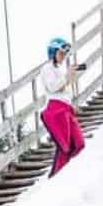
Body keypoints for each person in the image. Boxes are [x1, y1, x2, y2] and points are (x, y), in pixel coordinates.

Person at [40, 38, 86, 178]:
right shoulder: (47, 68)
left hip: (66, 108)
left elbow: (65, 87)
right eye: (60, 53)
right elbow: (53, 87)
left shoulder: (60, 69)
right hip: (55, 109)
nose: (63, 56)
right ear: (53, 53)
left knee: (79, 143)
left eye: (64, 54)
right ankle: (56, 176)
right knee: (64, 147)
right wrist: (66, 77)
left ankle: (66, 172)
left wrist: (71, 75)